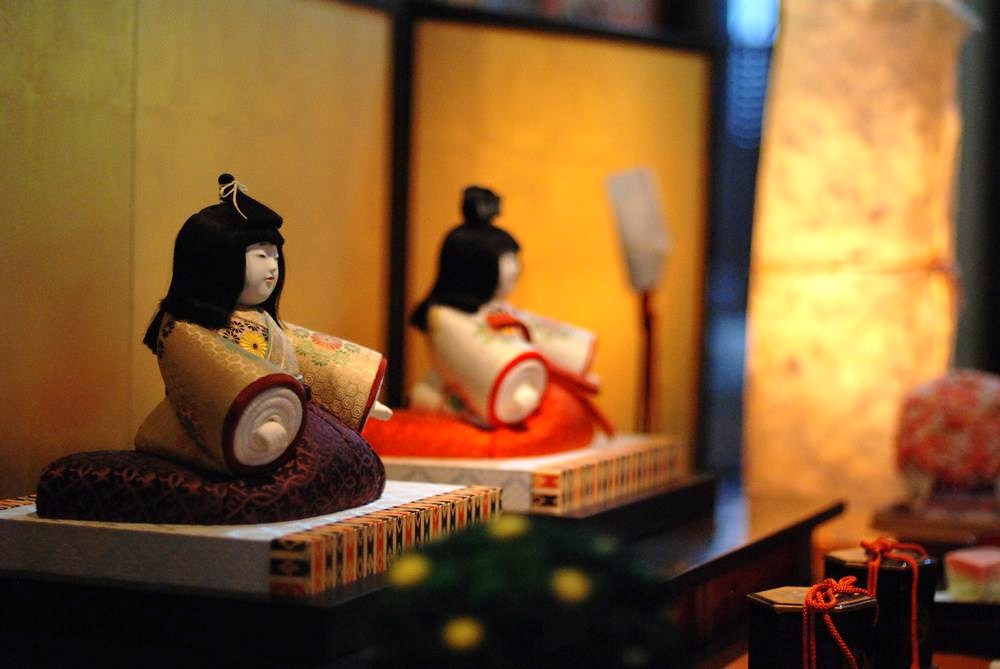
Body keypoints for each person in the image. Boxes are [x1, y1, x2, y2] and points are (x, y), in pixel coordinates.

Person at [137, 173, 391, 475]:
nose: (273, 267)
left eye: (275, 256)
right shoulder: (184, 329)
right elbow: (213, 377)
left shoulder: (259, 317)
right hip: (218, 429)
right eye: (261, 255)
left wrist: (359, 397)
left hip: (286, 413)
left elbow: (307, 355)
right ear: (215, 261)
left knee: (348, 461)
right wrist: (258, 417)